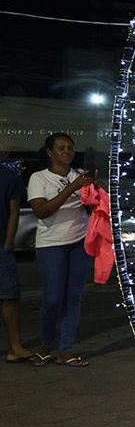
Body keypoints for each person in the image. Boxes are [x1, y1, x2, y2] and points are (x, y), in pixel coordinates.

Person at [27, 133, 95, 367]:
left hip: (79, 243)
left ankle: (65, 350)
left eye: (70, 148)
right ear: (49, 152)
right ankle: (45, 346)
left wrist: (96, 193)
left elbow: (91, 207)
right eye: (61, 148)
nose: (67, 152)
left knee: (73, 297)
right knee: (53, 298)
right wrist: (72, 188)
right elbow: (41, 211)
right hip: (51, 245)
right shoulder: (39, 178)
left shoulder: (80, 176)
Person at [2, 158, 36, 363]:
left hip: (1, 246)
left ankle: (15, 347)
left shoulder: (9, 177)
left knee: (10, 296)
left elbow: (14, 212)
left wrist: (7, 244)